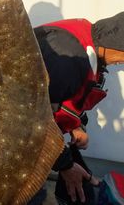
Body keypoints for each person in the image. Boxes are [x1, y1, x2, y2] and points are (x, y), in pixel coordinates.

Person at [34, 12, 124, 205]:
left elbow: (68, 98)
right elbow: (33, 120)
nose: (121, 62)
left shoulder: (91, 45)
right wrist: (66, 166)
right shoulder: (68, 58)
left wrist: (76, 126)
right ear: (115, 43)